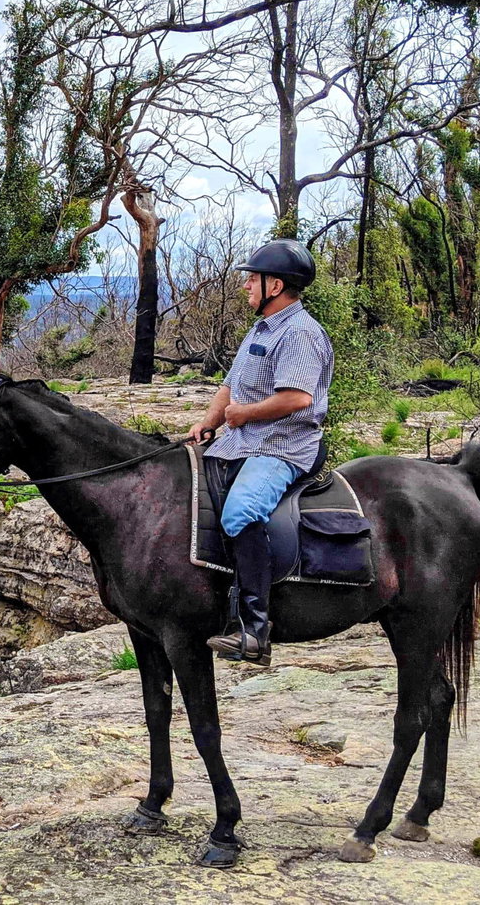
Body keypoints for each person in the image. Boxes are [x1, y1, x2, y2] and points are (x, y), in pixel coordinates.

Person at [187, 239, 333, 666]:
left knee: (240, 513)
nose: (246, 285)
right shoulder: (262, 328)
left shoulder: (301, 333)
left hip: (283, 447)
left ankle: (254, 629)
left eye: (253, 279)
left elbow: (297, 398)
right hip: (240, 441)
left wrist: (243, 414)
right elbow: (230, 386)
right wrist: (209, 422)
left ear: (276, 286)